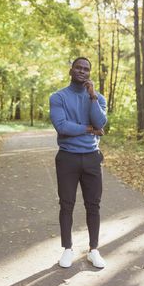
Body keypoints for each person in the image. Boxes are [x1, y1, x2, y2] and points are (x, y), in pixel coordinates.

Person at [49, 57, 107, 268]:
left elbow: (100, 122)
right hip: (67, 158)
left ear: (89, 73)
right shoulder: (58, 97)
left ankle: (94, 250)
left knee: (94, 205)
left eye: (86, 69)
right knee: (67, 204)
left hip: (92, 157)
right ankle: (67, 249)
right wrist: (89, 129)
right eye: (78, 68)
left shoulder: (98, 98)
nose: (82, 71)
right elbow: (62, 126)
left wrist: (91, 96)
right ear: (71, 70)